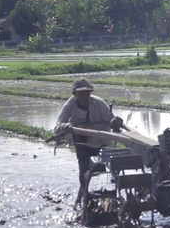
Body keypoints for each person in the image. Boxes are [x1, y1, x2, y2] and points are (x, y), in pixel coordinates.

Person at [54, 76, 128, 210]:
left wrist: (116, 123)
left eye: (87, 92)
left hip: (102, 142)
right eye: (81, 93)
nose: (84, 96)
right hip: (82, 143)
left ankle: (110, 200)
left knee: (104, 171)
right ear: (74, 94)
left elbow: (111, 121)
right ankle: (84, 198)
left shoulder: (99, 104)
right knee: (84, 169)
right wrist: (65, 126)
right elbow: (58, 125)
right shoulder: (70, 105)